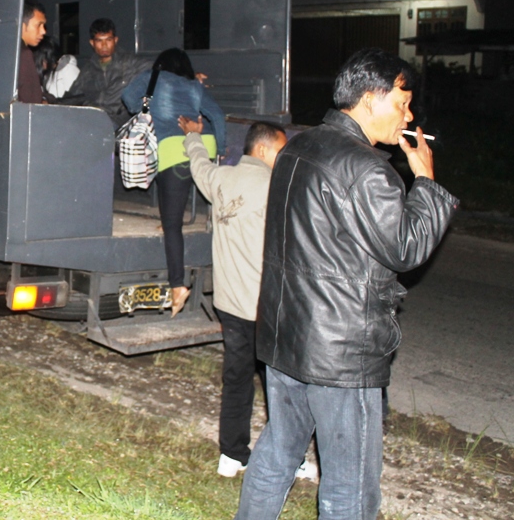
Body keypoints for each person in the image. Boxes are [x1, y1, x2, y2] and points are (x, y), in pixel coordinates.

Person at [235, 47, 459, 520]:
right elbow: (406, 249)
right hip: (340, 352)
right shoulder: (368, 168)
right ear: (372, 99)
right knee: (350, 487)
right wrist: (427, 182)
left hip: (285, 335)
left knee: (278, 453)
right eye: (402, 102)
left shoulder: (296, 147)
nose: (409, 114)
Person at [177, 116, 295, 480]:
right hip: (265, 307)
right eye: (281, 150)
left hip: (230, 305)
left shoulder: (222, 179)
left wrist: (193, 138)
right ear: (261, 149)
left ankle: (232, 455)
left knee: (238, 378)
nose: (285, 157)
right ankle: (291, 457)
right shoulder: (277, 188)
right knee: (285, 387)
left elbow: (199, 165)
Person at [120, 48, 226, 307]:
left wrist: (146, 102)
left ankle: (178, 285)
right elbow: (218, 115)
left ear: (160, 64)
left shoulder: (151, 77)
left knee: (172, 227)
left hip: (172, 152)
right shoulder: (194, 86)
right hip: (202, 148)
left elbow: (129, 100)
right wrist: (220, 152)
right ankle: (173, 214)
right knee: (179, 202)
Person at [68, 18, 150, 127]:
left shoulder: (130, 63)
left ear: (115, 40)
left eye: (108, 40)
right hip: (92, 119)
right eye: (99, 41)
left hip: (119, 122)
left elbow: (158, 71)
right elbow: (74, 96)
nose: (104, 45)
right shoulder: (88, 69)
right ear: (92, 43)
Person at [18, 0, 47, 103]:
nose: (43, 31)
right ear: (22, 25)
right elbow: (32, 101)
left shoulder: (7, 50)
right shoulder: (24, 54)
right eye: (38, 25)